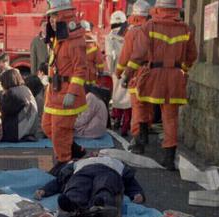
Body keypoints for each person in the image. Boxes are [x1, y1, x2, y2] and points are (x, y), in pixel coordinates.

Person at [123, 0, 198, 169]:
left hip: (153, 75)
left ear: (157, 9)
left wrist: (127, 74)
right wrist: (182, 69)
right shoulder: (185, 28)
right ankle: (169, 157)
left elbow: (139, 54)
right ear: (176, 9)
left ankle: (140, 140)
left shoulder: (149, 26)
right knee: (170, 117)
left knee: (141, 103)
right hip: (175, 77)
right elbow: (192, 55)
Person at [42, 0, 88, 168]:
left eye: (55, 15)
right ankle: (75, 150)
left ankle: (63, 164)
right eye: (50, 16)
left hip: (67, 93)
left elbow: (81, 69)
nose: (52, 20)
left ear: (64, 16)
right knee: (47, 127)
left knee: (60, 131)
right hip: (54, 92)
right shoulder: (60, 37)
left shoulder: (75, 40)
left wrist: (72, 92)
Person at [35, 153, 144, 213]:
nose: (96, 153)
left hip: (108, 171)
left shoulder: (115, 162)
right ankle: (72, 204)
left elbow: (130, 182)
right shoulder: (79, 162)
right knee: (76, 186)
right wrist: (44, 190)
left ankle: (100, 206)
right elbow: (60, 180)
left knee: (105, 186)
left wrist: (137, 193)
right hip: (83, 172)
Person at [114, 1, 150, 140]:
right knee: (148, 106)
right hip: (153, 74)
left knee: (137, 107)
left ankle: (137, 139)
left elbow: (125, 57)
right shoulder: (153, 30)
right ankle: (145, 133)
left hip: (136, 74)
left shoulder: (132, 32)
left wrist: (119, 73)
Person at [0, 68, 38, 142]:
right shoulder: (25, 89)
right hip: (29, 129)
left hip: (17, 132)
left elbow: (4, 112)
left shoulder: (12, 93)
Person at [80, 20, 105, 86]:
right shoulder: (93, 42)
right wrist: (101, 72)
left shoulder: (73, 41)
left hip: (76, 77)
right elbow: (99, 61)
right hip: (90, 76)